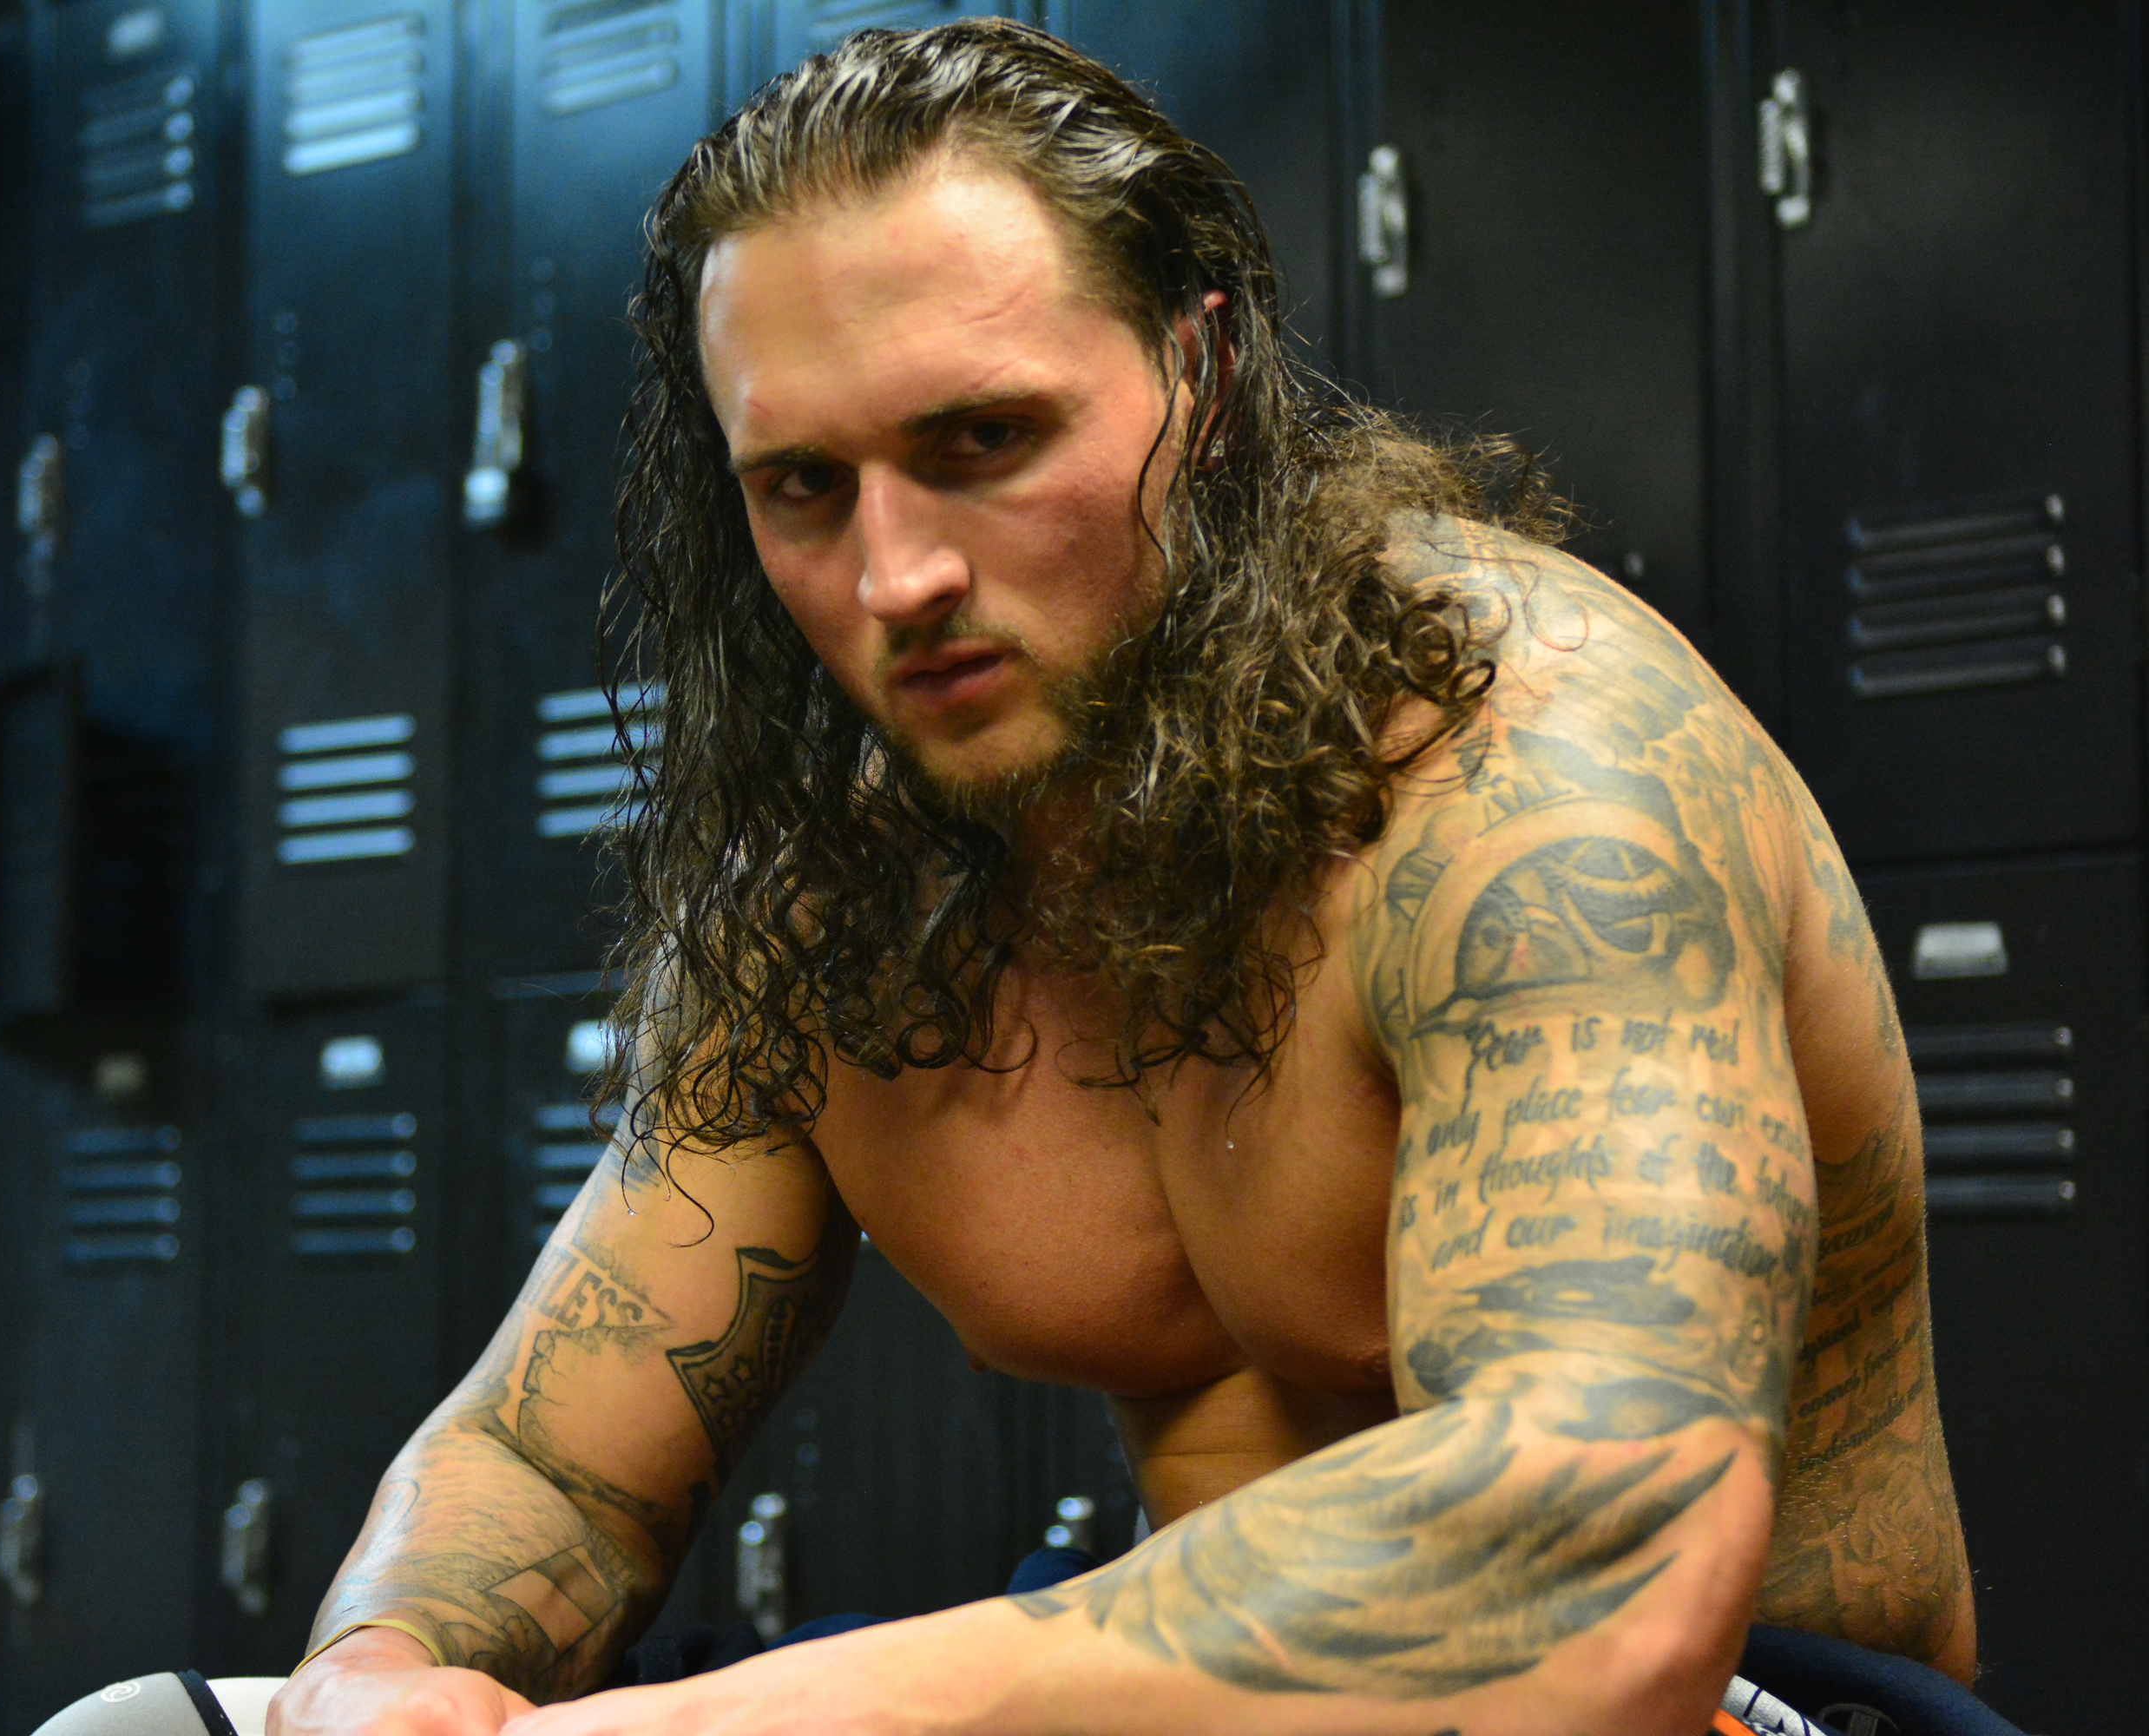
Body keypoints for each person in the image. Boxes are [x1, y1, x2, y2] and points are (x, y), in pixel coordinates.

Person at [270, 20, 1982, 1736]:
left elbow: (1613, 1572)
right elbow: (550, 1463)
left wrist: (737, 1720)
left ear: (1204, 372)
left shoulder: (1526, 773)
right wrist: (379, 1668)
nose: (895, 578)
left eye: (982, 440)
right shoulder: (837, 903)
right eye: (804, 488)